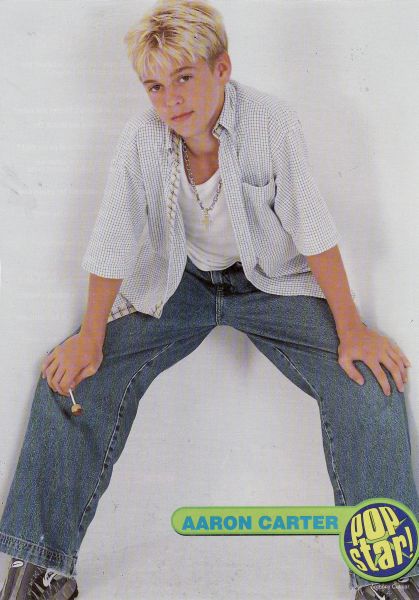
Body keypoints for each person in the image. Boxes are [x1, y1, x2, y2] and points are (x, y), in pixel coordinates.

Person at [0, 1, 418, 598]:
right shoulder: (141, 140)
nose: (171, 100)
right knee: (70, 382)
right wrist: (90, 338)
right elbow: (112, 238)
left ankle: (388, 577)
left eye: (184, 78)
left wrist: (352, 330)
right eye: (155, 86)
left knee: (371, 382)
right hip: (179, 285)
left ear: (222, 68)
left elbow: (313, 228)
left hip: (269, 283)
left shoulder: (271, 123)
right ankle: (41, 568)